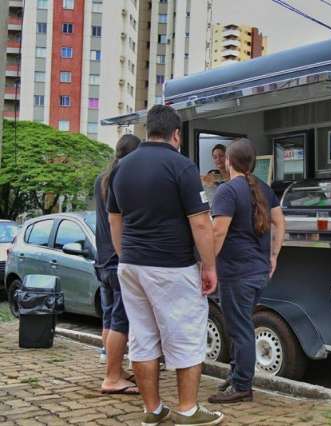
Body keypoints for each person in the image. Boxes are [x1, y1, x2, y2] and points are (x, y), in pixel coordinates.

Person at [108, 105, 224, 426]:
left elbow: (114, 220)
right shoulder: (182, 166)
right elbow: (201, 223)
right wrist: (209, 267)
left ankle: (154, 410)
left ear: (148, 130)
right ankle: (187, 410)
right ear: (176, 135)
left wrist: (125, 255)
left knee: (143, 337)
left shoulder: (122, 167)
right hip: (172, 265)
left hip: (131, 265)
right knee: (186, 335)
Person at [208, 138, 285, 404]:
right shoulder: (263, 187)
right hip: (258, 272)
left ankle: (242, 386)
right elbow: (279, 222)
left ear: (229, 162)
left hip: (236, 273)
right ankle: (236, 373)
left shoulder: (227, 191)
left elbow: (218, 232)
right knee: (240, 326)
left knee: (239, 329)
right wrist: (273, 256)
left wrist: (207, 265)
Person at [95, 134, 141, 395]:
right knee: (120, 321)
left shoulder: (101, 179)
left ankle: (114, 369)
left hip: (101, 260)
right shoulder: (121, 181)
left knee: (109, 318)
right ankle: (112, 377)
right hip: (116, 259)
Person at [202, 144, 229, 210]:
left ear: (227, 157)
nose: (218, 159)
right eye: (215, 157)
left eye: (221, 156)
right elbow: (205, 195)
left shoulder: (233, 175)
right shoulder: (211, 174)